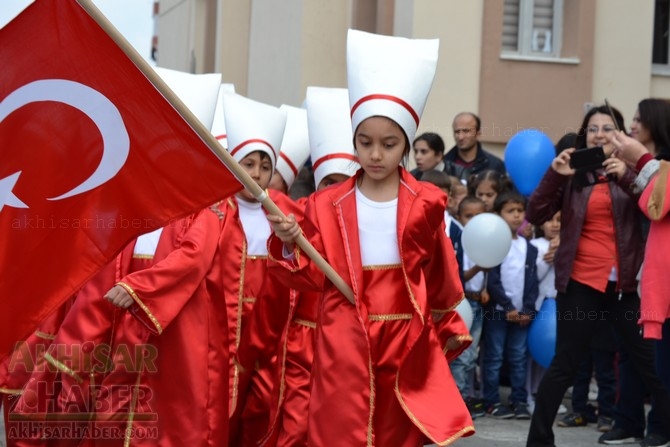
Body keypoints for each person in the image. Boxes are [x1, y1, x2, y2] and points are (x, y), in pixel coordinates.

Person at [266, 29, 473, 446]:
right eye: (365, 143)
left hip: (404, 337)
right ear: (353, 141)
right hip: (342, 332)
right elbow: (308, 276)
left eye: (389, 144)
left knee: (397, 431)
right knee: (340, 426)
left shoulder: (426, 203)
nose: (376, 154)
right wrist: (290, 242)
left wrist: (444, 324)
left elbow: (439, 274)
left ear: (406, 146)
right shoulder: (325, 204)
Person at [525, 104, 670, 447]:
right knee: (565, 364)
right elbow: (535, 213)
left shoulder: (637, 168)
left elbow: (654, 211)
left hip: (626, 286)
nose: (600, 134)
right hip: (581, 283)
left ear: (620, 134)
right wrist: (553, 174)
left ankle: (661, 427)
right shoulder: (573, 172)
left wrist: (629, 176)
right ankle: (539, 440)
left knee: (650, 364)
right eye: (593, 129)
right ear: (584, 136)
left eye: (608, 127)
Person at [236, 85, 360, 447]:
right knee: (293, 425)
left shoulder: (367, 222)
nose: (336, 191)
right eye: (329, 183)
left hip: (348, 342)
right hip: (300, 345)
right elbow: (286, 280)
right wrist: (290, 244)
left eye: (344, 182)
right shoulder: (299, 215)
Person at [610, 129, 670, 447]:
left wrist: (643, 161)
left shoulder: (659, 167)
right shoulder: (664, 168)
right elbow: (653, 205)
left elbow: (662, 199)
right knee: (660, 367)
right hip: (660, 290)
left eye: (637, 120)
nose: (631, 127)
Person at [482, 192, 538, 420]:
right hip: (499, 313)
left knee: (518, 357)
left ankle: (519, 401)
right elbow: (493, 281)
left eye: (520, 211)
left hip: (521, 315)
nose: (516, 216)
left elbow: (532, 282)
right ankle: (492, 401)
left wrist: (527, 310)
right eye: (510, 211)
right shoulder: (495, 245)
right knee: (494, 357)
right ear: (498, 215)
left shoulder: (530, 248)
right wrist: (507, 307)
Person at [450, 195, 489, 418]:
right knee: (461, 355)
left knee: (472, 355)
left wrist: (485, 289)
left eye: (479, 216)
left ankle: (463, 397)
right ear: (459, 217)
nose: (474, 220)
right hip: (463, 304)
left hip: (478, 304)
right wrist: (478, 269)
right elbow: (460, 277)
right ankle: (456, 401)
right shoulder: (461, 241)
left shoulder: (485, 239)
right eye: (469, 216)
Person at [443, 112, 506, 182]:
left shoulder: (495, 164)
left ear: (478, 134)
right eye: (457, 132)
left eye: (466, 131)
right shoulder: (444, 163)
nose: (460, 137)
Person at [268, 105, 311, 195]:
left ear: (286, 180)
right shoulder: (232, 205)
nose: (259, 175)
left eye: (272, 172)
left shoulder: (297, 208)